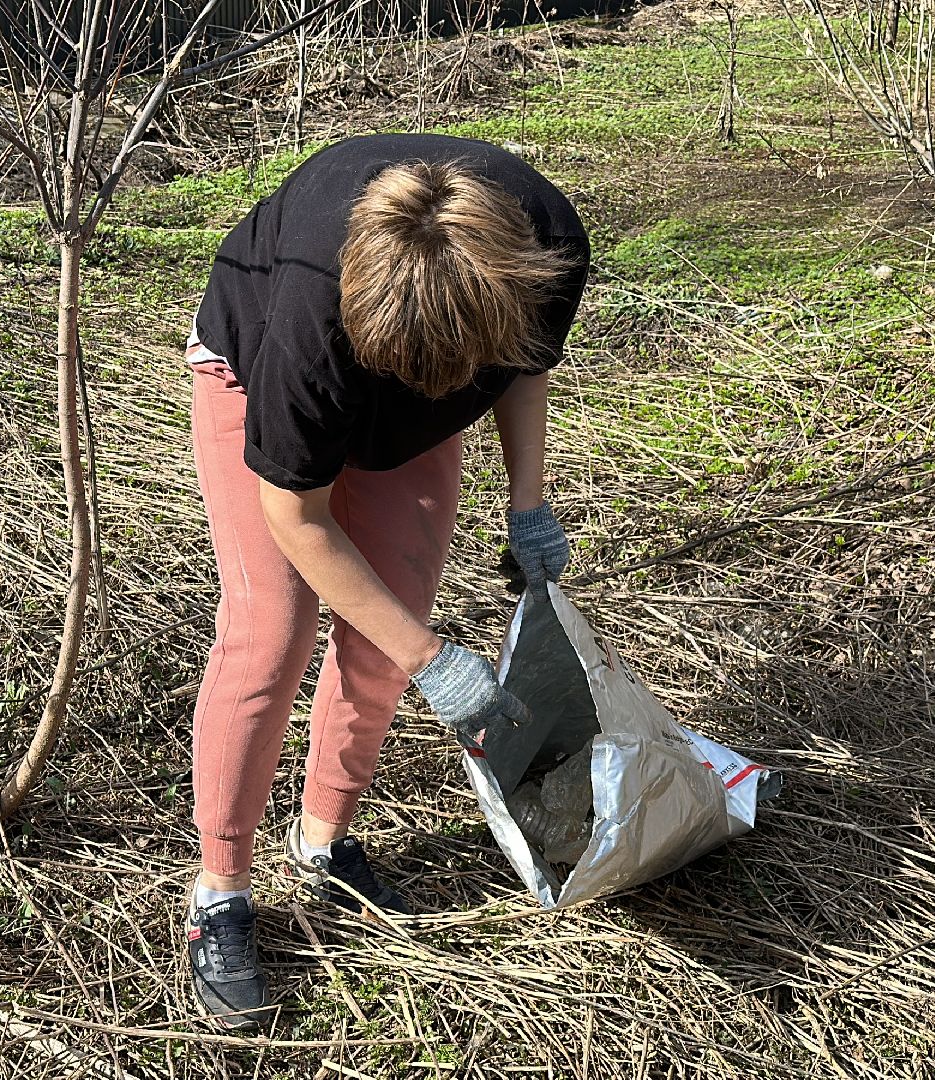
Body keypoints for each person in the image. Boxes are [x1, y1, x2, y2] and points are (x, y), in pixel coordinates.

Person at [181, 133, 590, 1028]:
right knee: (269, 635)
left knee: (389, 623)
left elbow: (525, 368)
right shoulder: (305, 321)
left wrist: (528, 504)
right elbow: (297, 515)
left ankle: (323, 842)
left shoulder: (547, 247)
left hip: (416, 379)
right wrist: (432, 660)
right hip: (254, 374)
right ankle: (221, 891)